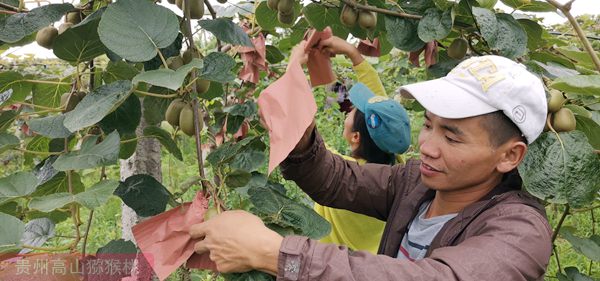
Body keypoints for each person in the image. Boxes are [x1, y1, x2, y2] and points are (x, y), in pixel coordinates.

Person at [189, 53, 553, 280]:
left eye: (452, 137)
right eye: (428, 125)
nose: (426, 146)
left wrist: (273, 253)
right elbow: (336, 179)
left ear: (510, 155)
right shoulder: (417, 184)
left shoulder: (520, 232)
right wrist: (298, 133)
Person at [310, 36, 411, 254]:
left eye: (354, 110)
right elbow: (380, 108)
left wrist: (297, 65)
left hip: (328, 269)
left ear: (355, 137)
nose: (350, 107)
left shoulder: (340, 172)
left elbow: (302, 137)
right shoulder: (397, 169)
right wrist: (350, 53)